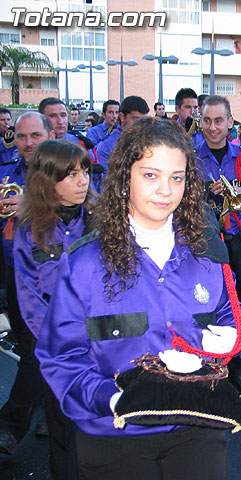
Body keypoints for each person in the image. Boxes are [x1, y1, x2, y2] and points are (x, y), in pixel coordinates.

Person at [35, 116, 241, 479]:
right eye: (150, 175)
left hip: (195, 427)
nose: (165, 190)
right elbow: (61, 357)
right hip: (115, 433)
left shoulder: (207, 251)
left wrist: (229, 339)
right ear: (123, 180)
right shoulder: (86, 263)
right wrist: (114, 398)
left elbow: (232, 314)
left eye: (176, 177)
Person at [13, 139, 93, 478]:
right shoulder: (31, 230)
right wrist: (62, 346)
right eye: (71, 174)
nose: (82, 181)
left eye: (85, 171)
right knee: (64, 435)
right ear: (47, 179)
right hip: (60, 352)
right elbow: (30, 298)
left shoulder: (103, 218)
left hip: (105, 346)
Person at [196, 95, 241, 397]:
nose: (213, 127)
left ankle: (237, 372)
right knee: (205, 312)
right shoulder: (189, 156)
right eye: (207, 121)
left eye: (219, 121)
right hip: (203, 245)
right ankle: (206, 374)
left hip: (237, 240)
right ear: (200, 122)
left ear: (230, 122)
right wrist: (203, 195)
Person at [0, 112, 55, 458]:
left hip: (46, 279)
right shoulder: (7, 173)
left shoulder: (62, 171)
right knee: (29, 350)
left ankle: (8, 428)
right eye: (21, 136)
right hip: (12, 272)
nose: (29, 143)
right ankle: (53, 407)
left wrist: (31, 207)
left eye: (35, 135)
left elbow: (79, 215)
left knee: (36, 353)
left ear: (49, 134)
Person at [96, 96, 149, 174]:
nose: (141, 124)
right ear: (122, 117)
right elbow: (105, 182)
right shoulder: (106, 147)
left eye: (144, 120)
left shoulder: (151, 140)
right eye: (136, 119)